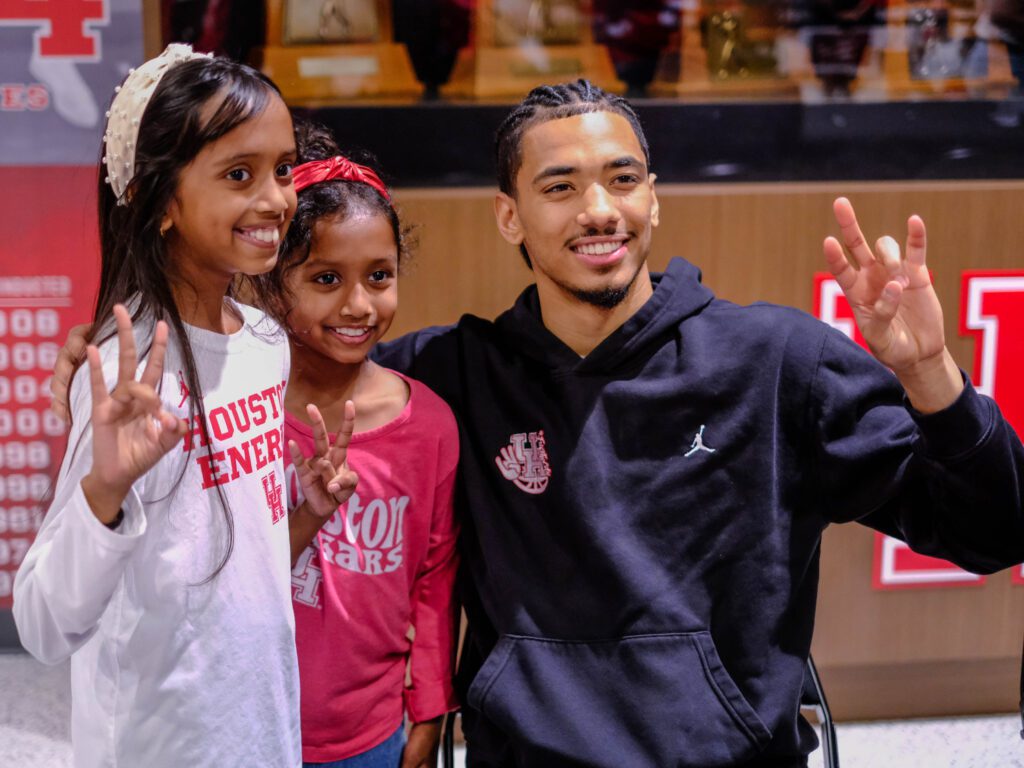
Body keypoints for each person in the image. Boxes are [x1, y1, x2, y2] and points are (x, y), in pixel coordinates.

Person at [50, 80, 1024, 767]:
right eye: (559, 187)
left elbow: (993, 531)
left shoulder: (775, 362)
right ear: (510, 218)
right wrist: (130, 353)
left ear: (654, 198)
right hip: (524, 756)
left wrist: (930, 375)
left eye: (623, 179)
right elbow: (275, 366)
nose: (598, 210)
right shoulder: (443, 379)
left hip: (724, 755)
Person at [15, 45, 355, 768]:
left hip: (261, 732)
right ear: (158, 198)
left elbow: (233, 563)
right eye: (239, 174)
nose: (275, 199)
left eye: (282, 169)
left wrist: (305, 515)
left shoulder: (265, 340)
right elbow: (45, 625)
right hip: (157, 745)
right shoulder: (122, 373)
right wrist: (104, 489)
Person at [250, 122, 460, 768]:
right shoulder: (244, 410)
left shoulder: (428, 426)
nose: (358, 304)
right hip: (246, 718)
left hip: (370, 734)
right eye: (324, 279)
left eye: (378, 275)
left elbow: (434, 582)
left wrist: (428, 711)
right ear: (271, 281)